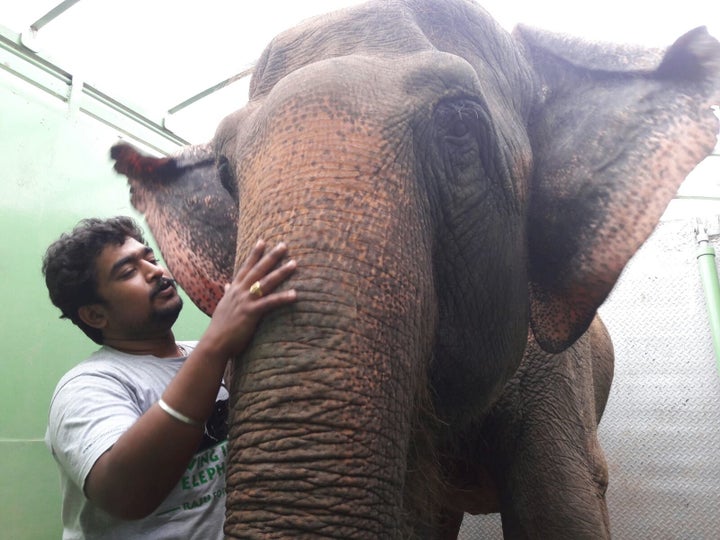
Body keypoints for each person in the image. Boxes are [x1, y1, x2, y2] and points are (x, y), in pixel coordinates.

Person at [42, 216, 297, 539]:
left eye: (150, 258)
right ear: (95, 315)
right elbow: (124, 493)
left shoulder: (211, 355)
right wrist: (216, 344)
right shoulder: (86, 386)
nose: (155, 271)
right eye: (128, 271)